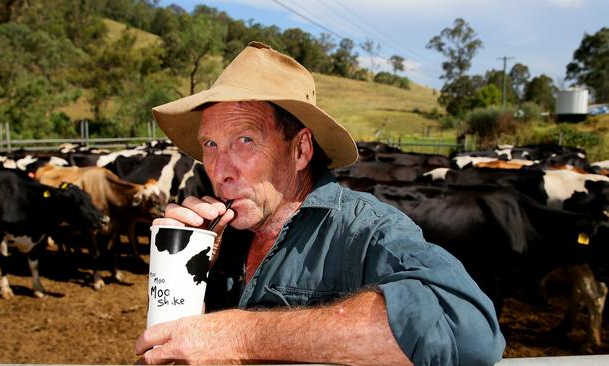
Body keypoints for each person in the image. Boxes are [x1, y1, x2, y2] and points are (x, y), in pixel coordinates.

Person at [135, 41, 505, 365]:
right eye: (210, 145)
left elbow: (468, 332)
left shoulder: (366, 229)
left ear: (301, 150)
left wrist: (241, 336)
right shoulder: (218, 236)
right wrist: (184, 272)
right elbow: (174, 349)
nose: (219, 170)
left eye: (245, 140)